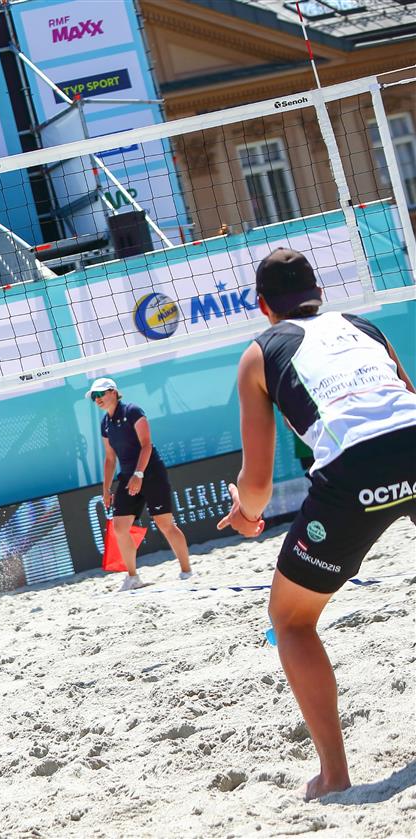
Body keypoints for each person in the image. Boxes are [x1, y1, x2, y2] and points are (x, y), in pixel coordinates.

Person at [217, 248, 416, 801]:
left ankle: (333, 775)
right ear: (319, 293)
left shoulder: (259, 353)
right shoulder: (362, 326)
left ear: (263, 306)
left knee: (291, 620)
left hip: (354, 469)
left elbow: (258, 483)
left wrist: (246, 514)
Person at [89, 377, 193, 591]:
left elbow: (146, 445)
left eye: (100, 394)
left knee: (165, 524)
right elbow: (110, 458)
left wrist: (139, 474)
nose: (97, 399)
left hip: (151, 473)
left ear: (113, 392)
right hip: (128, 477)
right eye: (93, 396)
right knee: (119, 528)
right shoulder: (105, 423)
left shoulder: (132, 411)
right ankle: (133, 577)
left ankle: (187, 571)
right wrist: (106, 490)